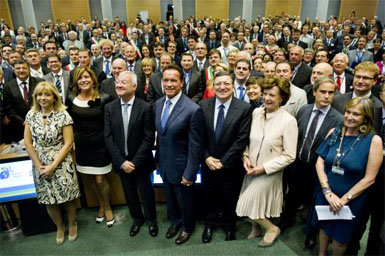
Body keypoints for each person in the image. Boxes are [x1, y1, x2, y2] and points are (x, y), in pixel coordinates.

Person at [311, 97, 382, 256]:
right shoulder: (335, 132)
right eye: (348, 112)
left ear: (366, 117)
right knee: (324, 228)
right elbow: (319, 162)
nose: (349, 117)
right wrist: (327, 192)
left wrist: (342, 200)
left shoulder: (373, 141)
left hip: (351, 200)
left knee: (340, 239)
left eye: (356, 114)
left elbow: (370, 178)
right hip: (326, 194)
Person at [236, 77, 298, 247]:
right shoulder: (256, 113)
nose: (267, 98)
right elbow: (248, 141)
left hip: (270, 172)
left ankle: (271, 229)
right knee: (257, 203)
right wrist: (245, 157)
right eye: (265, 94)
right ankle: (256, 229)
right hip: (251, 168)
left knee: (246, 203)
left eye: (272, 95)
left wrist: (264, 168)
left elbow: (289, 155)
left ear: (282, 98)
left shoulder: (289, 121)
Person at [154, 64, 206, 245]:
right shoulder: (158, 104)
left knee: (186, 202)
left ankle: (187, 227)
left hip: (183, 167)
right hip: (164, 165)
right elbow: (161, 136)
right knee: (171, 200)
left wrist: (190, 172)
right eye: (166, 80)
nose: (169, 84)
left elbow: (196, 145)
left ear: (181, 83)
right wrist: (158, 161)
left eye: (173, 80)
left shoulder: (193, 109)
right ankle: (176, 222)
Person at [24, 81, 80, 244]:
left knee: (68, 198)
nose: (43, 98)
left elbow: (69, 143)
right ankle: (59, 227)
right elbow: (28, 142)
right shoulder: (31, 115)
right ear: (35, 97)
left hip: (61, 162)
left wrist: (53, 166)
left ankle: (71, 224)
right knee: (49, 200)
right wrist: (39, 165)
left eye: (47, 94)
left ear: (54, 97)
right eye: (40, 95)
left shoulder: (63, 115)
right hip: (39, 163)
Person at [199, 71, 252, 243]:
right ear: (213, 87)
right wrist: (207, 158)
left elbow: (241, 140)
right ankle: (209, 224)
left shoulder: (244, 108)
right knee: (209, 195)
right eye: (218, 84)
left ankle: (230, 226)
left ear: (233, 86)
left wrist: (223, 162)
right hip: (208, 164)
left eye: (226, 84)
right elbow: (198, 136)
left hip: (231, 166)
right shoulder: (203, 105)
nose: (222, 87)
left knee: (230, 197)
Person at [104, 71, 158, 237]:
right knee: (129, 194)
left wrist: (134, 162)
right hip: (122, 163)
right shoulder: (109, 107)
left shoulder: (145, 107)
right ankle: (137, 219)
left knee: (147, 193)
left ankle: (151, 221)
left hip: (141, 162)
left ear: (134, 86)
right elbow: (108, 137)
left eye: (123, 82)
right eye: (117, 82)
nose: (119, 85)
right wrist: (122, 162)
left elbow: (149, 138)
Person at [66, 67, 115, 227]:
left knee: (101, 179)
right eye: (80, 78)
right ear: (76, 82)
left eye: (86, 77)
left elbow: (112, 122)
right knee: (91, 179)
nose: (83, 80)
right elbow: (69, 123)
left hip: (101, 145)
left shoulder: (105, 98)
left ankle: (107, 207)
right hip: (82, 146)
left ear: (93, 79)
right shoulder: (71, 98)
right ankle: (100, 205)